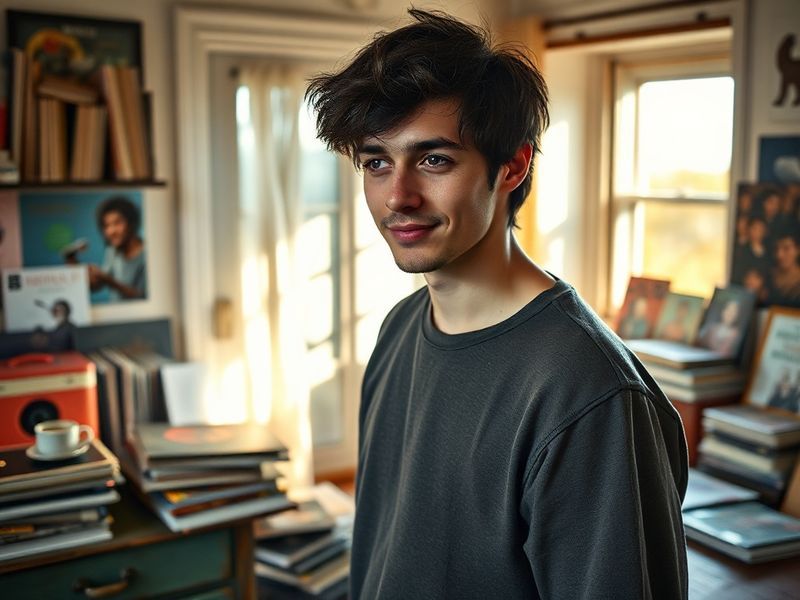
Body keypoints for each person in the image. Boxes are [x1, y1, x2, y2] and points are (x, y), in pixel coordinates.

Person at [306, 10, 688, 599]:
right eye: (376, 162)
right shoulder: (400, 329)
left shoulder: (588, 393)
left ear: (513, 165)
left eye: (434, 159)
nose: (398, 196)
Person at [87, 196, 146, 301]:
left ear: (131, 223)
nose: (111, 231)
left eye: (117, 223)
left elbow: (142, 296)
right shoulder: (112, 251)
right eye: (107, 225)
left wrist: (109, 280)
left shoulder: (147, 254)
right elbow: (97, 286)